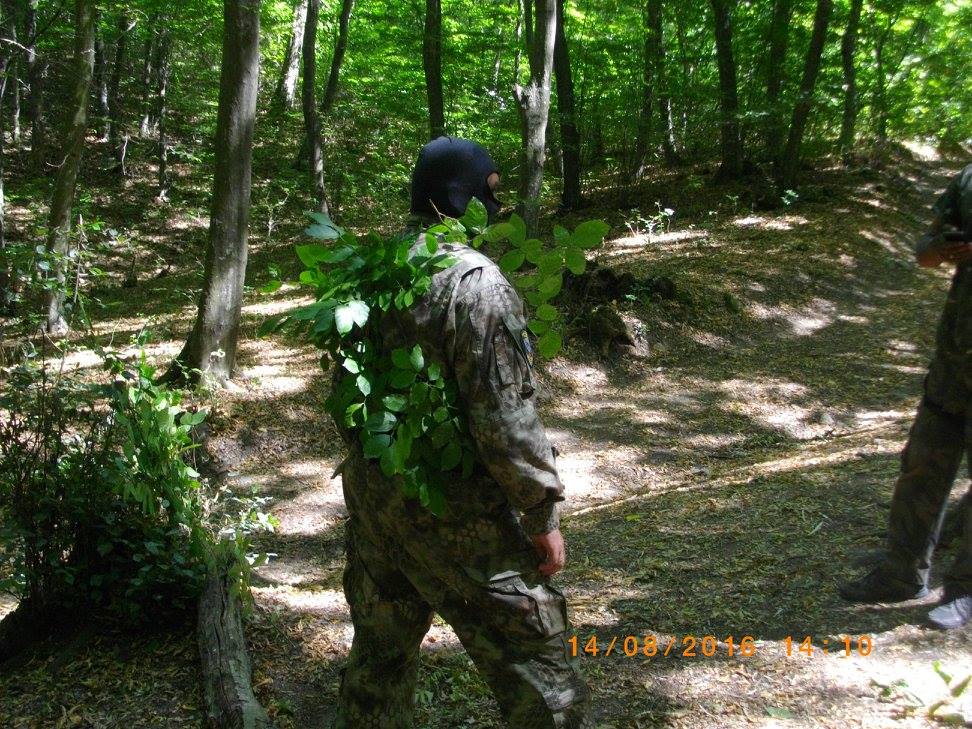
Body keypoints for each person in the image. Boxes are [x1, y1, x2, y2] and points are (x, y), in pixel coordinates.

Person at [333, 136, 591, 727]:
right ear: (458, 195)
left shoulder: (374, 269)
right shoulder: (474, 284)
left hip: (379, 508)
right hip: (462, 522)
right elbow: (503, 417)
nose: (497, 206)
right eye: (490, 191)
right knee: (542, 676)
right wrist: (541, 516)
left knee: (378, 664)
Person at [840, 163, 972, 630]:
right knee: (921, 465)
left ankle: (965, 593)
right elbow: (925, 251)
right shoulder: (968, 179)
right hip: (955, 357)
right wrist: (938, 250)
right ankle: (902, 572)